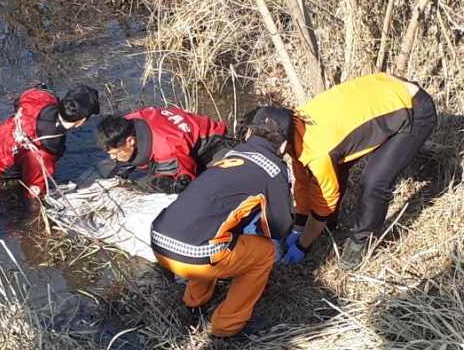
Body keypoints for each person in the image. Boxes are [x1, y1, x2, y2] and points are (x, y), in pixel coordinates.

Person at [150, 106, 294, 338]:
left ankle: (194, 303)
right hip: (194, 257)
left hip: (159, 241)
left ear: (248, 134)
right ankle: (227, 327)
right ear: (284, 146)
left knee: (217, 229)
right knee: (264, 253)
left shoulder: (231, 155)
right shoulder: (273, 168)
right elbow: (279, 228)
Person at [274, 73, 437, 269]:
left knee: (374, 183)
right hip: (385, 89)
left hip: (414, 110)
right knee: (334, 169)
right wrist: (299, 226)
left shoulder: (318, 154)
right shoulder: (293, 126)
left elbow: (324, 202)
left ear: (282, 146)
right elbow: (303, 181)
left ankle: (360, 243)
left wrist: (302, 244)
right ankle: (328, 226)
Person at [0, 84, 100, 198]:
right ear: (82, 121)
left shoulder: (42, 97)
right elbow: (32, 193)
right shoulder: (43, 155)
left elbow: (18, 102)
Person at [94, 107, 234, 194]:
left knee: (208, 186)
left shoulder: (167, 150)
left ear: (131, 141)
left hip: (213, 144)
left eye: (115, 153)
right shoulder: (128, 122)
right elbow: (123, 162)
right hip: (181, 141)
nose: (112, 158)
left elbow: (185, 184)